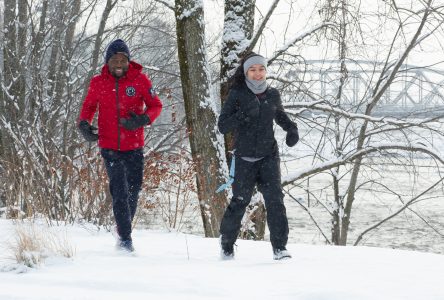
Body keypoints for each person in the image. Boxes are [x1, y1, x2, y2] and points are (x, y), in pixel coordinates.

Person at [78, 39, 163, 252]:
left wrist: (142, 119)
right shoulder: (98, 82)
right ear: (107, 62)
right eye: (114, 59)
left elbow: (156, 105)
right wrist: (83, 124)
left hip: (134, 146)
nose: (119, 63)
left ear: (128, 61)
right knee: (119, 191)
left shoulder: (140, 80)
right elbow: (89, 106)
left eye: (123, 59)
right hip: (109, 146)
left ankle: (122, 229)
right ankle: (125, 239)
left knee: (133, 191)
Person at [218, 52, 299, 260]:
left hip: (268, 157)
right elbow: (223, 125)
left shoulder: (272, 94)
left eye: (261, 69)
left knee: (275, 201)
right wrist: (244, 114)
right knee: (240, 202)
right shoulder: (237, 93)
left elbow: (279, 115)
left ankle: (280, 248)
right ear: (246, 72)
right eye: (253, 70)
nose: (257, 74)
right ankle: (226, 246)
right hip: (244, 159)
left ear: (266, 71)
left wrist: (291, 129)